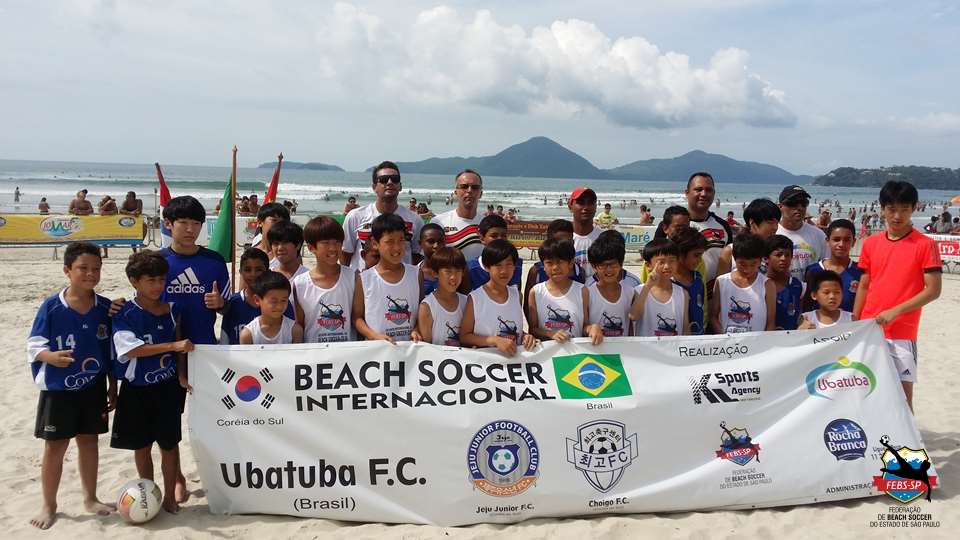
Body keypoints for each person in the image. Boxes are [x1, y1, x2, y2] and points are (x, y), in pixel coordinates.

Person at [26, 242, 117, 529]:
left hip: (93, 387)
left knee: (89, 442)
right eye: (83, 268)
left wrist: (113, 386)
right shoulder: (52, 307)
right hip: (58, 390)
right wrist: (49, 356)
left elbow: (110, 353)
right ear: (68, 270)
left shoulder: (105, 308)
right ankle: (49, 504)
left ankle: (90, 497)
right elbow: (34, 345)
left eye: (96, 269)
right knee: (55, 447)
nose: (90, 274)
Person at [110, 251, 192, 514]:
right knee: (141, 447)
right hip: (136, 390)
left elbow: (180, 348)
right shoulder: (124, 312)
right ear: (135, 281)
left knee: (169, 445)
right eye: (150, 280)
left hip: (166, 388)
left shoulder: (172, 310)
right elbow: (131, 349)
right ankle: (148, 492)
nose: (158, 286)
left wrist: (181, 374)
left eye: (161, 280)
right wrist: (171, 345)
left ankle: (169, 496)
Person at [157, 196, 227, 502]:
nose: (190, 229)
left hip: (204, 351)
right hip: (166, 352)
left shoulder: (213, 261)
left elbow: (229, 307)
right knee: (170, 425)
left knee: (211, 420)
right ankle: (177, 478)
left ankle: (215, 475)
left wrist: (220, 304)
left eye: (196, 223)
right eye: (183, 222)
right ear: (168, 224)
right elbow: (145, 305)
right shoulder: (158, 262)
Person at [854, 181, 942, 411]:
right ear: (882, 208)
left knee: (902, 398)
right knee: (866, 389)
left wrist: (896, 311)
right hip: (869, 327)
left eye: (904, 209)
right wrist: (856, 319)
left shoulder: (926, 245)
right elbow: (865, 284)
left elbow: (933, 290)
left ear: (914, 208)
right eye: (891, 209)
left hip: (902, 331)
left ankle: (906, 445)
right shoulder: (871, 243)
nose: (897, 215)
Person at [460, 239, 538, 357]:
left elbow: (514, 330)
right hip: (487, 364)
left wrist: (526, 336)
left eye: (509, 264)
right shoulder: (475, 298)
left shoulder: (517, 295)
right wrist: (495, 340)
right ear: (487, 267)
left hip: (513, 364)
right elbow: (464, 336)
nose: (504, 271)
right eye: (498, 265)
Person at [353, 213, 423, 343]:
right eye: (389, 241)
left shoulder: (416, 273)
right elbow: (357, 318)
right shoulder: (364, 279)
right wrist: (374, 336)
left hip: (409, 351)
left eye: (401, 240)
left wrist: (417, 329)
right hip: (378, 352)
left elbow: (422, 311)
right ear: (375, 243)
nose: (397, 247)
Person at [342, 161, 423, 270]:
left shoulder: (415, 220)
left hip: (400, 284)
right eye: (384, 179)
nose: (390, 182)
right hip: (363, 283)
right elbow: (345, 254)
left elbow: (417, 256)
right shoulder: (355, 217)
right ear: (374, 187)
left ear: (400, 186)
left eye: (395, 179)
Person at [292, 216, 358, 343]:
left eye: (337, 242)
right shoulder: (300, 283)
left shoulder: (353, 276)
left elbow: (357, 318)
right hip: (314, 355)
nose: (333, 248)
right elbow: (300, 324)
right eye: (326, 243)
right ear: (311, 248)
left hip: (349, 354)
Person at [710, 233, 776, 333]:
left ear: (760, 260)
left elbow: (771, 322)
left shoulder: (767, 285)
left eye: (753, 264)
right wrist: (724, 338)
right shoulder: (721, 282)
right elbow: (714, 317)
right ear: (734, 259)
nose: (747, 269)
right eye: (742, 264)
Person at [222, 248, 289, 344]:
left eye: (259, 270)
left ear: (268, 271)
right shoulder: (233, 302)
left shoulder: (281, 301)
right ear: (240, 272)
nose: (253, 274)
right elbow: (225, 339)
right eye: (248, 270)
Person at [527, 239, 585, 342]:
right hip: (548, 354)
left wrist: (592, 328)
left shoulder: (582, 291)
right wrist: (550, 333)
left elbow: (585, 325)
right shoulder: (536, 292)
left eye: (560, 262)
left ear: (571, 263)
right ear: (543, 266)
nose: (555, 267)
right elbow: (533, 329)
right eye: (549, 263)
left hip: (576, 354)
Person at [630, 238, 689, 336]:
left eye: (672, 261)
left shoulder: (683, 293)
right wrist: (647, 287)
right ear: (648, 265)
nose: (667, 266)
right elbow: (633, 316)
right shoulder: (639, 291)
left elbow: (685, 326)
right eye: (661, 262)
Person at [412, 247, 468, 346]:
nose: (453, 277)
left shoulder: (468, 302)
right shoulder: (427, 307)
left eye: (458, 271)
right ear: (435, 273)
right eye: (448, 271)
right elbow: (426, 347)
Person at [585, 232, 635, 342]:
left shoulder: (631, 292)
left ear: (621, 264)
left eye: (613, 264)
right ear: (594, 267)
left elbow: (631, 327)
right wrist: (591, 328)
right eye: (602, 265)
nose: (609, 270)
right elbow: (583, 326)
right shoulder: (587, 293)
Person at [803, 219, 861, 313]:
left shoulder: (860, 271)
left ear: (854, 242)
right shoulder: (813, 270)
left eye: (846, 240)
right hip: (819, 326)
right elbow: (807, 304)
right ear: (827, 241)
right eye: (836, 239)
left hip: (850, 326)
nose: (841, 244)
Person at [684, 172, 732, 283]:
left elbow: (729, 262)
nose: (704, 194)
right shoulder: (672, 225)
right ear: (687, 193)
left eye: (709, 190)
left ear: (714, 194)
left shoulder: (723, 226)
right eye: (698, 189)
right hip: (679, 294)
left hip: (712, 295)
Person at [717, 198, 781, 277]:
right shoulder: (730, 251)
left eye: (777, 222)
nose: (775, 227)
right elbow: (721, 285)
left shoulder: (776, 252)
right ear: (752, 223)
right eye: (770, 222)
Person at [776, 185, 828, 283]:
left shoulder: (818, 235)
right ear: (780, 207)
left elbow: (827, 266)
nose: (799, 208)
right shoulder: (773, 234)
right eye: (793, 203)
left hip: (810, 294)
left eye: (804, 203)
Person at [431, 170, 484, 262]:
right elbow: (431, 258)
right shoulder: (439, 222)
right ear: (455, 192)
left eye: (475, 187)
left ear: (481, 193)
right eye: (464, 186)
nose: (469, 190)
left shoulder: (486, 224)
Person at [239, 271, 304, 344]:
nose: (279, 306)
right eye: (273, 301)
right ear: (257, 300)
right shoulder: (248, 334)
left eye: (283, 300)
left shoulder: (295, 331)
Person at [464, 215, 522, 292]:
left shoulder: (516, 264)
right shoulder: (470, 269)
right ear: (482, 238)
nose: (500, 239)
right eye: (494, 236)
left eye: (503, 236)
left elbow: (517, 297)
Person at [670, 226, 708, 335]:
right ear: (680, 253)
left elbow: (701, 308)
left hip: (697, 339)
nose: (700, 260)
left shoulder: (698, 278)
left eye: (701, 255)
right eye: (696, 255)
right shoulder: (667, 281)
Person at [765, 235, 803, 330]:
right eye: (778, 255)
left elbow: (804, 316)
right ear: (766, 258)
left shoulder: (800, 286)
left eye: (787, 255)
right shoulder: (758, 285)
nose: (783, 258)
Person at [569, 187, 601, 278]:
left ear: (595, 207)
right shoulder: (562, 238)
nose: (586, 207)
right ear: (570, 206)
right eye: (581, 203)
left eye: (590, 203)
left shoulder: (603, 238)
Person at [417, 223, 446, 296]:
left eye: (440, 241)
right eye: (431, 241)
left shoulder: (454, 272)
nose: (436, 246)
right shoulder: (413, 274)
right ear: (420, 243)